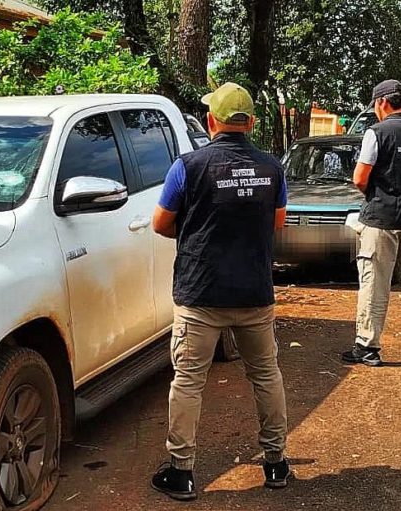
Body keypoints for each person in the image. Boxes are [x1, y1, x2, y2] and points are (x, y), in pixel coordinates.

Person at [150, 82, 290, 501]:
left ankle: (181, 472)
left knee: (189, 380)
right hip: (254, 293)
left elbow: (160, 223)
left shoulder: (188, 166)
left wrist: (195, 229)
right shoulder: (271, 168)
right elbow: (277, 223)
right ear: (250, 123)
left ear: (213, 121)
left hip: (201, 295)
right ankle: (276, 463)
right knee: (266, 375)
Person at [342, 79, 401, 366]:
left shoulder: (376, 133)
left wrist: (377, 197)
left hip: (380, 221)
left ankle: (367, 348)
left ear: (381, 102)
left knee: (374, 285)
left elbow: (359, 178)